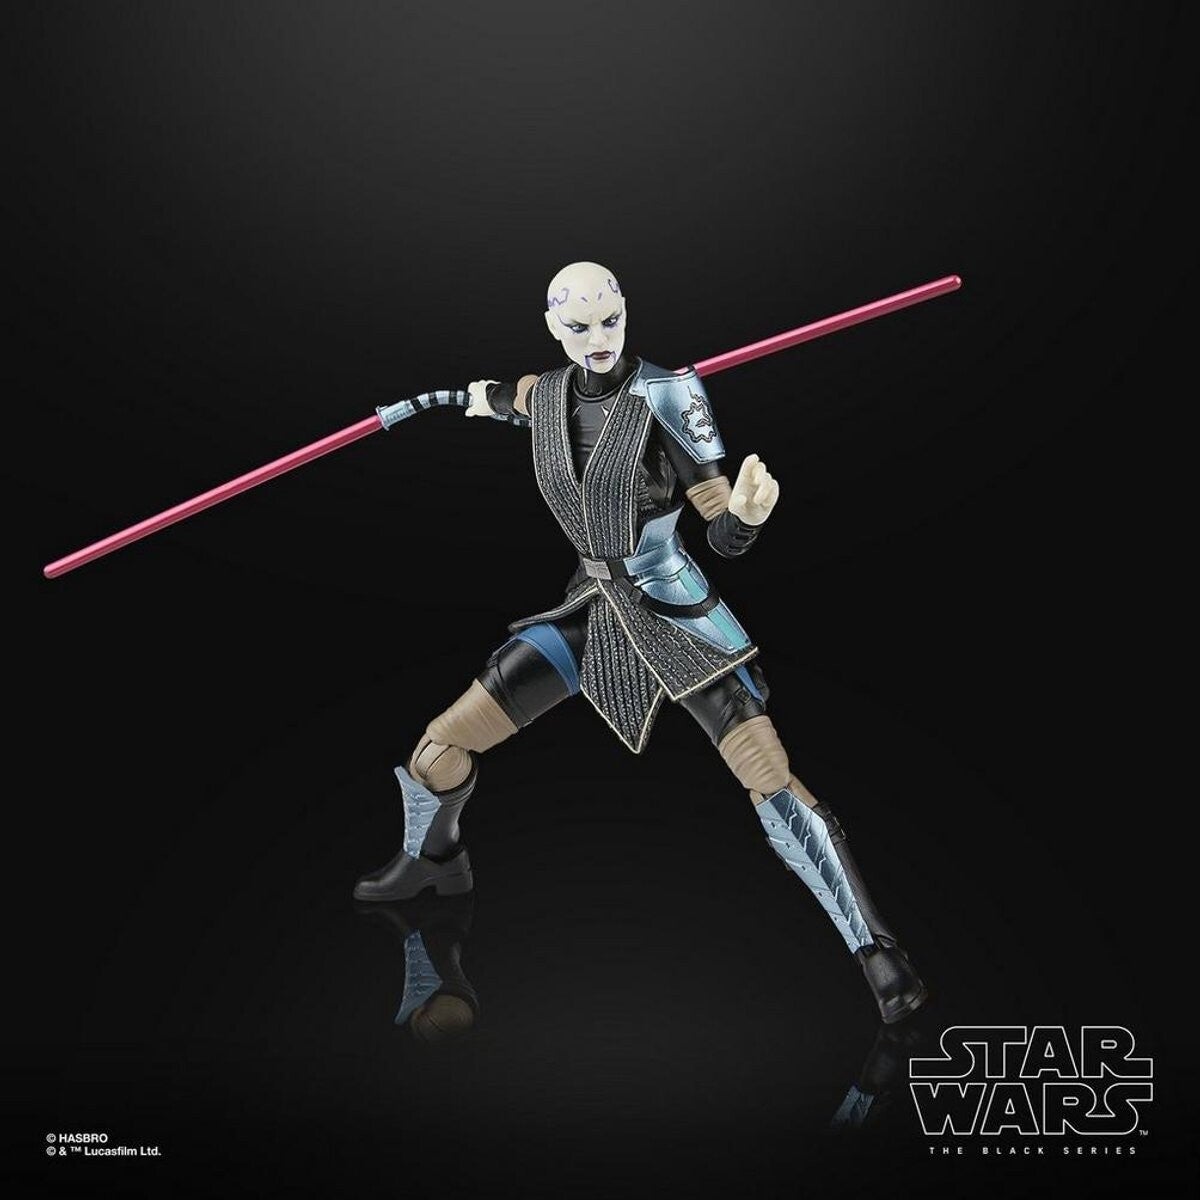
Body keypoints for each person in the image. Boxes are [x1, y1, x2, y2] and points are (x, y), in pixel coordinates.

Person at [354, 261, 927, 1023]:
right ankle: (434, 862)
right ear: (555, 329)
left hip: (671, 605)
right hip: (591, 607)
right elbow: (495, 398)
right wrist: (425, 403)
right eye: (580, 325)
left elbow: (717, 521)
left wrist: (745, 517)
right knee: (438, 749)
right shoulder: (545, 393)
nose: (599, 337)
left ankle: (875, 950)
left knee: (769, 775)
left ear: (626, 313)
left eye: (610, 320)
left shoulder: (668, 394)